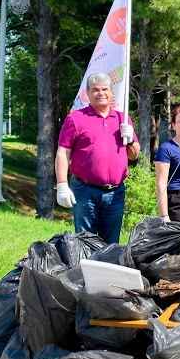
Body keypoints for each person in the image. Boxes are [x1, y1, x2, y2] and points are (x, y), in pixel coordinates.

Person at [55, 72, 140, 244]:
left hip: (116, 192)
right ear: (87, 93)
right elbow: (63, 152)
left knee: (111, 243)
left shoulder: (122, 119)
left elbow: (134, 154)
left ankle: (108, 271)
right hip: (85, 191)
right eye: (95, 90)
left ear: (111, 93)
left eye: (105, 89)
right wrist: (62, 184)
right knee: (85, 241)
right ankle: (86, 271)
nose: (101, 93)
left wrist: (130, 139)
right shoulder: (76, 118)